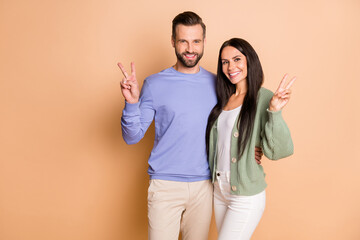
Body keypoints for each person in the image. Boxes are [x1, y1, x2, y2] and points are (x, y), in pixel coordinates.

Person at [118, 12, 262, 240]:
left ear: (204, 42)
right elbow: (132, 137)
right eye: (183, 41)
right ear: (173, 42)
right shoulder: (154, 84)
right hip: (164, 185)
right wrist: (132, 103)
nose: (190, 48)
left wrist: (251, 147)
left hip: (205, 187)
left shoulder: (219, 84)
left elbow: (234, 122)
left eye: (196, 41)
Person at [206, 38, 295, 240]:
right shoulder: (222, 98)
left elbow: (280, 150)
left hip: (245, 192)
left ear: (250, 61)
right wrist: (244, 150)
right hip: (219, 188)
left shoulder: (264, 97)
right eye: (225, 62)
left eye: (237, 59)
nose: (231, 67)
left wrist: (274, 111)